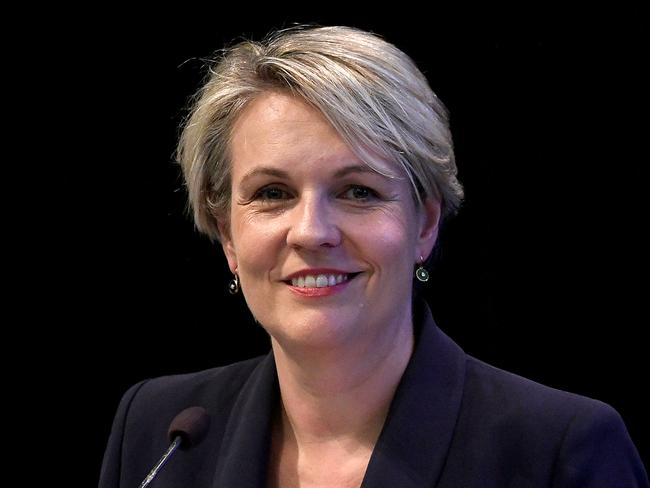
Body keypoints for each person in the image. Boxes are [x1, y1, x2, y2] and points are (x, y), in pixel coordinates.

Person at [98, 25, 648, 487]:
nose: (311, 232)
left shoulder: (559, 451)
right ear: (229, 237)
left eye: (358, 191)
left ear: (425, 223)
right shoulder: (157, 432)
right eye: (272, 193)